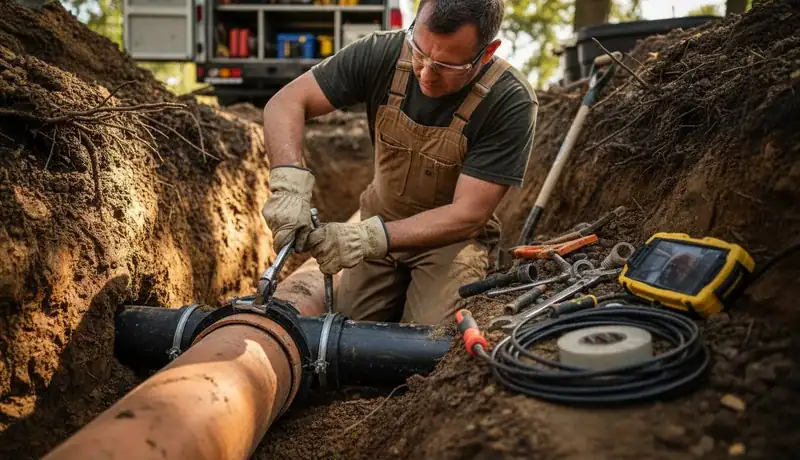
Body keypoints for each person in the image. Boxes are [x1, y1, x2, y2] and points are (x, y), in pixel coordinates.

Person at [260, 0, 538, 325]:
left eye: (447, 66)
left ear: (486, 54)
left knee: (426, 341)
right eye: (420, 53)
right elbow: (286, 102)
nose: (426, 74)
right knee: (347, 336)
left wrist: (367, 238)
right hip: (377, 220)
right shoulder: (383, 53)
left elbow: (468, 215)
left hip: (451, 242)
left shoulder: (509, 100)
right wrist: (288, 185)